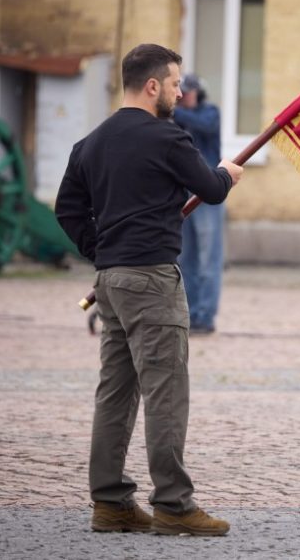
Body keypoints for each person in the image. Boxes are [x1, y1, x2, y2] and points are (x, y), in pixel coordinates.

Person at [55, 43, 243, 536]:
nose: (182, 93)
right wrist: (228, 173)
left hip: (111, 283)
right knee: (165, 392)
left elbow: (67, 210)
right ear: (153, 85)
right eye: (177, 84)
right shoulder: (168, 137)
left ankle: (110, 502)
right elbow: (212, 187)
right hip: (153, 281)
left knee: (114, 393)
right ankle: (174, 506)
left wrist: (101, 252)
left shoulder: (90, 143)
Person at [173, 73, 225, 334]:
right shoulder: (177, 118)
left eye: (189, 92)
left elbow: (204, 126)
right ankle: (189, 314)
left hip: (208, 195)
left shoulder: (210, 113)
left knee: (208, 259)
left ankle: (205, 316)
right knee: (186, 259)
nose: (185, 97)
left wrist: (173, 111)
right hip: (183, 194)